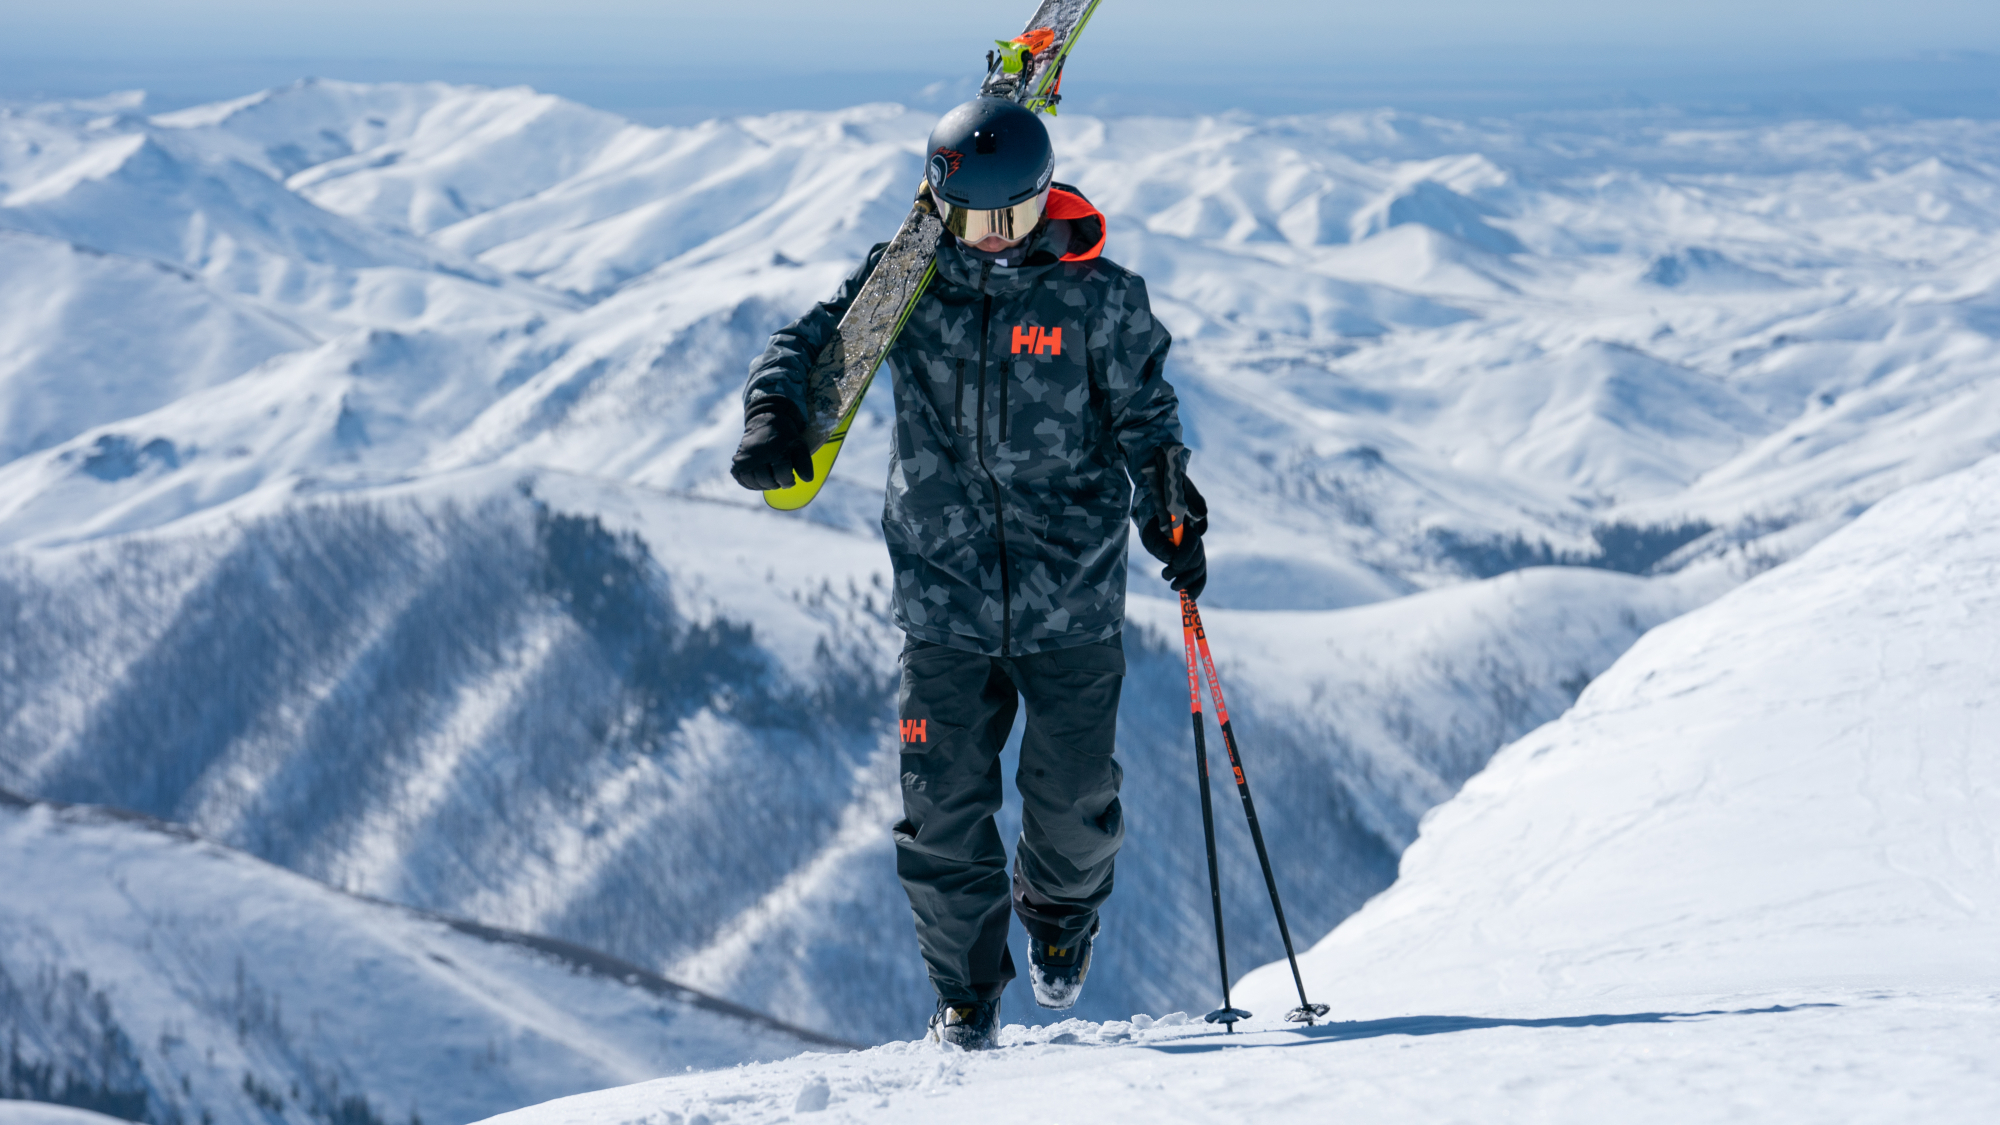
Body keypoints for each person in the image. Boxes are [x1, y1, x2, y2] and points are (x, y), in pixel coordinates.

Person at [730, 96, 1207, 1050]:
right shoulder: (906, 283)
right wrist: (773, 414)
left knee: (1073, 806)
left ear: (1044, 198)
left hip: (1069, 598)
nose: (991, 240)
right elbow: (808, 343)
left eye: (1012, 218)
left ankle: (1061, 920)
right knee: (939, 809)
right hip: (941, 597)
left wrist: (1171, 510)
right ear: (940, 207)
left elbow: (1147, 415)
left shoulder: (1098, 297)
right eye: (971, 221)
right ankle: (965, 994)